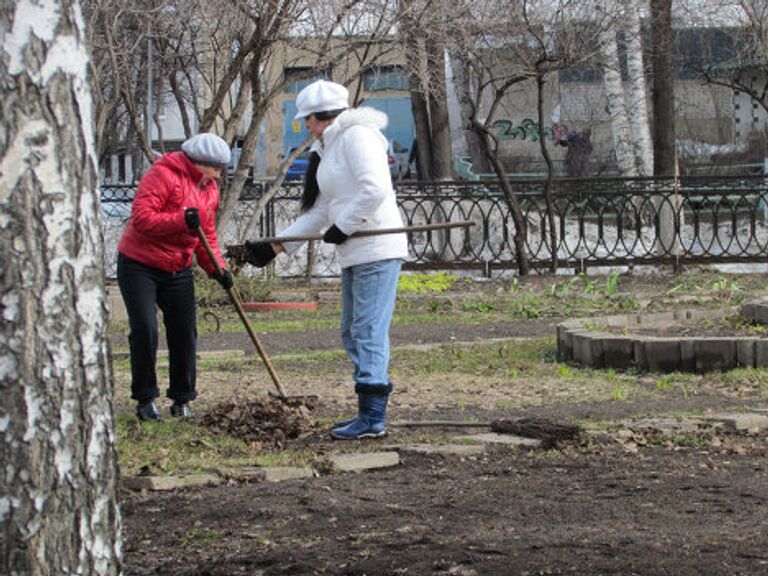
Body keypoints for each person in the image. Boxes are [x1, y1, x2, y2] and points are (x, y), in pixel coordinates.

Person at [241, 79, 408, 439]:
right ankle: (368, 411)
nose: (307, 128)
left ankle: (373, 417)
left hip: (377, 249)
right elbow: (319, 211)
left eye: (309, 121)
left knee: (367, 330)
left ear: (324, 117)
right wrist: (274, 246)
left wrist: (344, 226)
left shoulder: (358, 137)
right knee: (351, 331)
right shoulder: (329, 147)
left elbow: (375, 190)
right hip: (355, 250)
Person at [117, 133, 234, 421]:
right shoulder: (163, 174)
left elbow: (206, 235)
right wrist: (181, 219)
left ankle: (182, 399)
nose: (219, 175)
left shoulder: (210, 189)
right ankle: (145, 399)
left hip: (177, 268)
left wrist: (218, 269)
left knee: (184, 332)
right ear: (200, 163)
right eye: (217, 168)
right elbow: (142, 218)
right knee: (145, 329)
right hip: (139, 264)